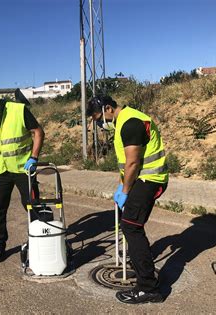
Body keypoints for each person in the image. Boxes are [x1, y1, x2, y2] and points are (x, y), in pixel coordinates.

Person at [86, 95, 169, 304]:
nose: (98, 123)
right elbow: (126, 165)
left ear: (108, 108)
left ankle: (148, 288)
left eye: (98, 118)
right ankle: (141, 266)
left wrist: (125, 190)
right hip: (141, 179)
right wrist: (122, 184)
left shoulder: (130, 123)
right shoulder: (124, 121)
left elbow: (133, 162)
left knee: (131, 226)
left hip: (149, 179)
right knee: (131, 225)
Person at [0, 90, 45, 263]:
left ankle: (41, 243)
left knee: (31, 205)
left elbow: (38, 132)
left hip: (23, 168)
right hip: (0, 171)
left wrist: (34, 158)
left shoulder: (17, 110)